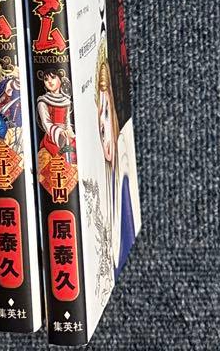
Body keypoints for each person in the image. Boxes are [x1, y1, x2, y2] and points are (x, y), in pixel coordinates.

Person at [96, 51, 138, 277]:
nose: (103, 128)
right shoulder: (102, 177)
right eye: (99, 118)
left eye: (107, 113)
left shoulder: (122, 151)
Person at [36, 67, 75, 165]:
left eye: (53, 77)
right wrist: (60, 132)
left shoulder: (66, 101)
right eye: (46, 79)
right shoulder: (43, 101)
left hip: (66, 135)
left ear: (59, 79)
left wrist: (71, 134)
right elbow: (46, 123)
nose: (49, 81)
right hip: (52, 137)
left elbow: (67, 122)